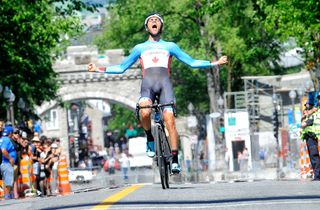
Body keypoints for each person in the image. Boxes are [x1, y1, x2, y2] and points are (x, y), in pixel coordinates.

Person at [88, 13, 228, 174]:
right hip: (147, 86)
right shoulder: (139, 48)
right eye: (150, 21)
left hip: (165, 87)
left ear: (161, 26)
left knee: (170, 121)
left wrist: (215, 63)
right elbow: (121, 68)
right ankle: (150, 137)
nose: (154, 22)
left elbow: (192, 62)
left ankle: (175, 158)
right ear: (147, 27)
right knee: (144, 110)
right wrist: (98, 69)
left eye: (157, 21)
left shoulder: (170, 46)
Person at [0, 125, 17, 199]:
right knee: (8, 181)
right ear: (10, 133)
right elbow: (3, 150)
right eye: (12, 133)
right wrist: (10, 158)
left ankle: (8, 195)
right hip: (7, 163)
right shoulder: (6, 139)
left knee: (6, 180)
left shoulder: (2, 139)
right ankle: (7, 196)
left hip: (5, 163)